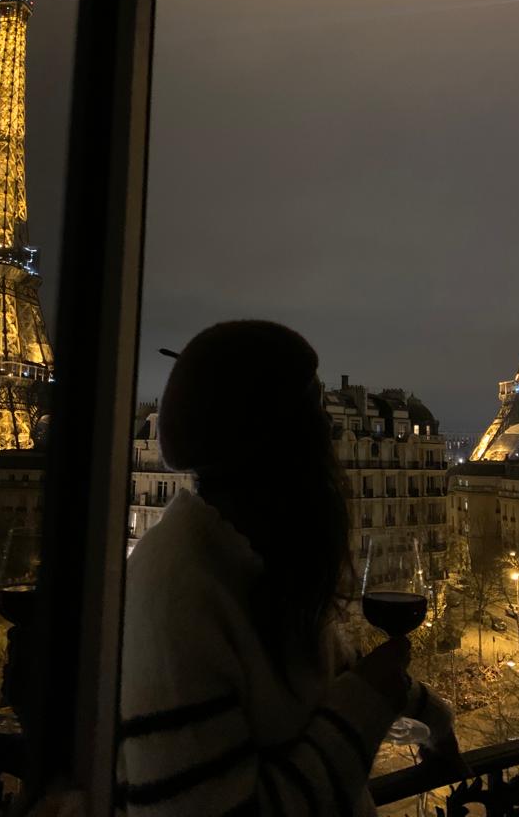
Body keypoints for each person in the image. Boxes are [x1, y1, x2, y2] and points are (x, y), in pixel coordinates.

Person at [118, 320, 462, 816]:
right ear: (265, 439)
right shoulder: (174, 591)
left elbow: (338, 672)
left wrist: (434, 719)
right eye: (310, 412)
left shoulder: (255, 559)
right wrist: (366, 705)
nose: (327, 432)